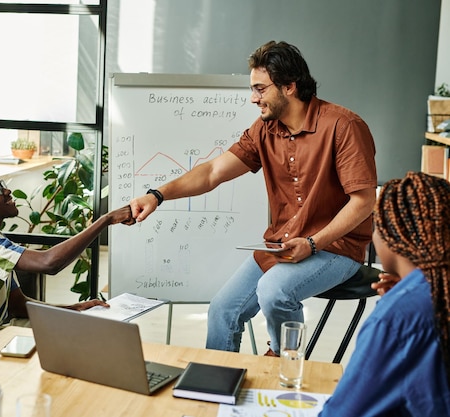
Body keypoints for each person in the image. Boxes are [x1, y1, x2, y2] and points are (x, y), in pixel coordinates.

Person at [129, 40, 377, 355]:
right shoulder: (265, 130)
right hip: (282, 244)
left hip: (337, 248)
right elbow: (212, 172)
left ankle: (282, 366)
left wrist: (313, 243)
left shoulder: (344, 126)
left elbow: (364, 201)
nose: (253, 98)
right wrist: (158, 195)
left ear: (289, 87)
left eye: (260, 89)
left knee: (273, 290)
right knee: (222, 310)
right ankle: (216, 387)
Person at [0, 167, 135, 339]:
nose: (7, 190)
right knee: (75, 339)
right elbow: (49, 263)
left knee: (82, 328)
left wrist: (72, 310)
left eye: (1, 183)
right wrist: (105, 220)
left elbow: (18, 305)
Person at [320, 171, 450, 415]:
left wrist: (397, 307)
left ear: (391, 236)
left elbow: (343, 412)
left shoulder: (398, 317)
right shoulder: (430, 295)